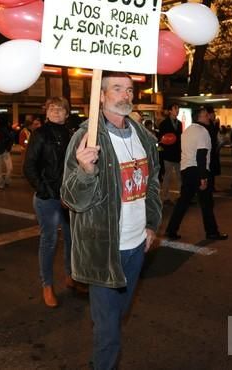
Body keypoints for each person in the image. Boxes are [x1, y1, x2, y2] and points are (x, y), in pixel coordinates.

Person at [61, 71, 160, 370]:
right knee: (108, 332)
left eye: (129, 90)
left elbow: (153, 183)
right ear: (101, 96)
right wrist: (85, 171)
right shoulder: (86, 137)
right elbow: (70, 198)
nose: (125, 95)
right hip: (103, 249)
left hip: (136, 246)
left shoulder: (143, 135)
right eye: (116, 89)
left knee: (116, 318)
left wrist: (152, 225)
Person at [24, 97, 83, 307]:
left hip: (69, 197)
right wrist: (46, 190)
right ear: (46, 113)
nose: (57, 111)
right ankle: (47, 285)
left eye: (61, 109)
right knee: (48, 242)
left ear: (67, 114)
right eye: (52, 108)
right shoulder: (40, 134)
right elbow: (29, 167)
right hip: (47, 199)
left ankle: (71, 276)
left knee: (71, 239)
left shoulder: (71, 134)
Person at [164, 107, 228, 241]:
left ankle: (171, 229)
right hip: (197, 170)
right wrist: (203, 177)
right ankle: (211, 232)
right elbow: (201, 156)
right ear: (199, 117)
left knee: (183, 202)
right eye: (205, 115)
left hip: (186, 169)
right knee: (206, 203)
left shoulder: (187, 131)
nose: (208, 118)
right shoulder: (202, 131)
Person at [157, 103, 182, 204]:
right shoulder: (164, 124)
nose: (177, 110)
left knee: (180, 176)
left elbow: (180, 138)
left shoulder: (179, 123)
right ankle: (165, 197)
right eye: (175, 108)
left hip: (178, 153)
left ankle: (182, 196)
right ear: (170, 111)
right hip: (168, 153)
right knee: (167, 176)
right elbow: (161, 139)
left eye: (178, 108)